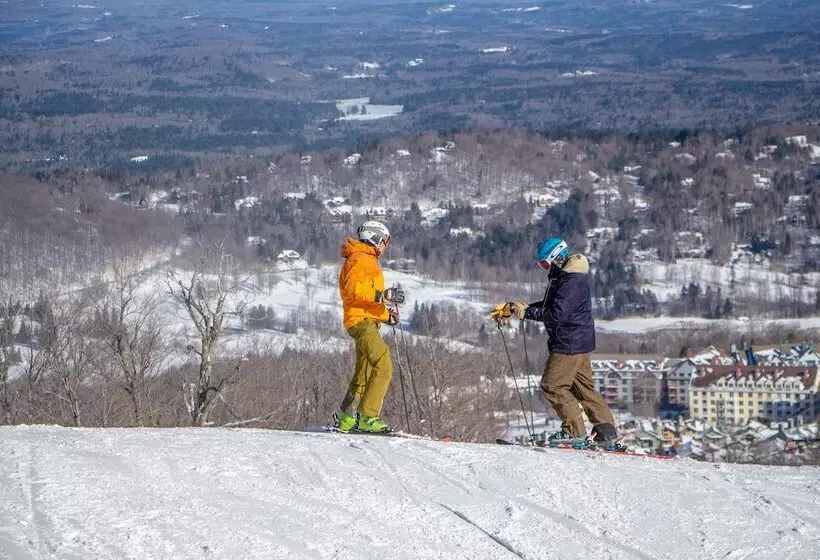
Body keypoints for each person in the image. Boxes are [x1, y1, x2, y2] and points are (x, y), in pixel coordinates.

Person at [493, 237, 618, 445]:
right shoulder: (565, 276)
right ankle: (607, 432)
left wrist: (527, 313)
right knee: (582, 387)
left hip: (568, 342)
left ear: (557, 258)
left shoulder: (571, 280)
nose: (543, 268)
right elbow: (552, 304)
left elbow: (557, 313)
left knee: (552, 385)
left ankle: (574, 431)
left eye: (544, 263)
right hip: (579, 340)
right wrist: (522, 307)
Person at [336, 220, 405, 433]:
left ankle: (347, 417)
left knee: (363, 371)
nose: (385, 246)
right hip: (362, 323)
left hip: (365, 320)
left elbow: (366, 301)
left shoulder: (365, 259)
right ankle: (368, 416)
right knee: (384, 366)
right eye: (384, 241)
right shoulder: (360, 259)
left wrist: (386, 315)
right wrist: (382, 295)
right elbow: (353, 290)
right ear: (375, 238)